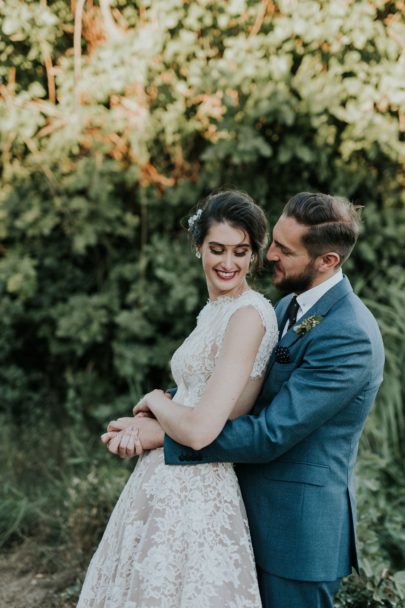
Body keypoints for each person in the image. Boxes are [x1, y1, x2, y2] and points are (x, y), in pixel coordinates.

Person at [106, 192, 385, 608]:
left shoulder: (350, 335)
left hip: (297, 536)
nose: (268, 254)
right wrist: (167, 406)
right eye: (272, 241)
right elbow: (235, 392)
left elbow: (271, 432)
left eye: (284, 250)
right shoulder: (289, 304)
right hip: (241, 513)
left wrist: (163, 434)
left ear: (327, 261)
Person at [77, 190, 278, 607]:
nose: (228, 263)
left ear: (254, 254)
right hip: (165, 477)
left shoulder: (248, 315)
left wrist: (154, 399)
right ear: (198, 246)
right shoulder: (215, 311)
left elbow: (204, 428)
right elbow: (196, 400)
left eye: (241, 252)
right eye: (217, 249)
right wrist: (143, 429)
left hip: (197, 490)